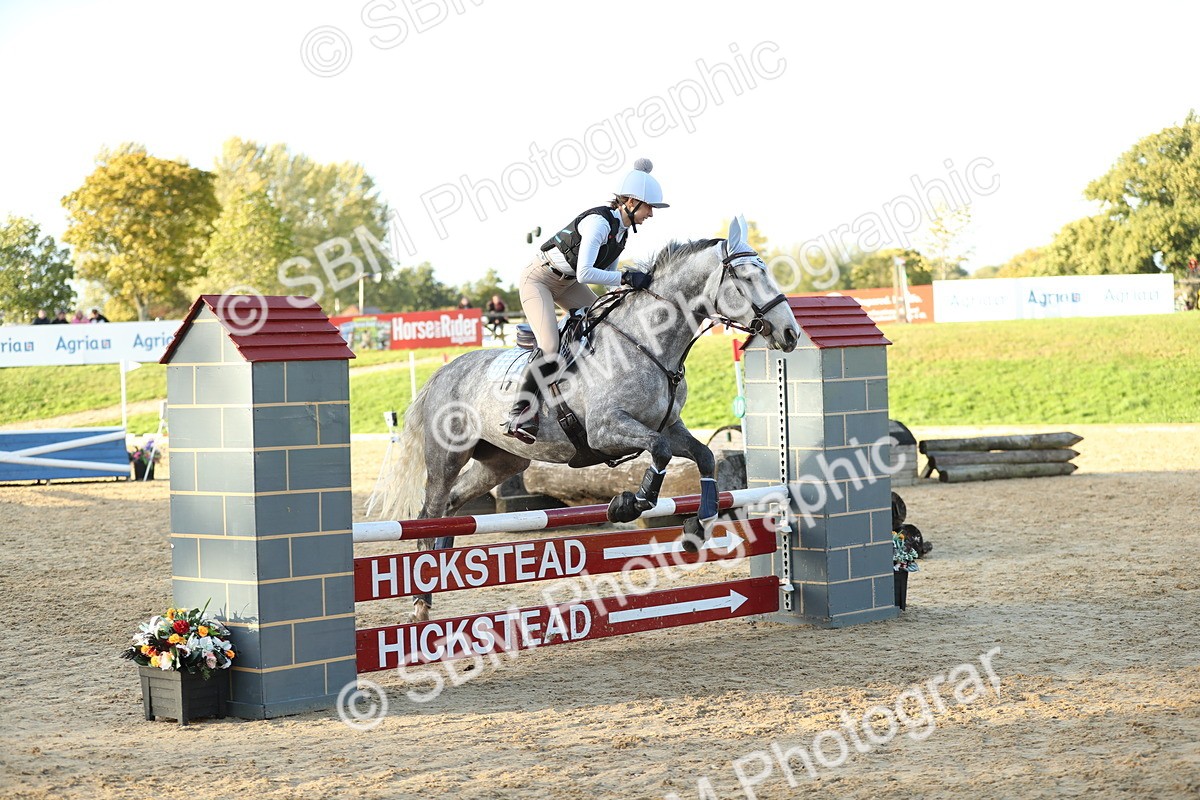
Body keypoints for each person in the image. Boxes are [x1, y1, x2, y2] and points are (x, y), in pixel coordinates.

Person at [501, 157, 666, 443]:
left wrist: (631, 292)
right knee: (550, 345)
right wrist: (627, 278)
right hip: (539, 280)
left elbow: (606, 280)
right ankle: (521, 411)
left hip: (569, 284)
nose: (651, 213)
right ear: (631, 201)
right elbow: (587, 272)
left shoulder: (622, 232)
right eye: (649, 206)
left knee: (606, 325)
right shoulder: (598, 224)